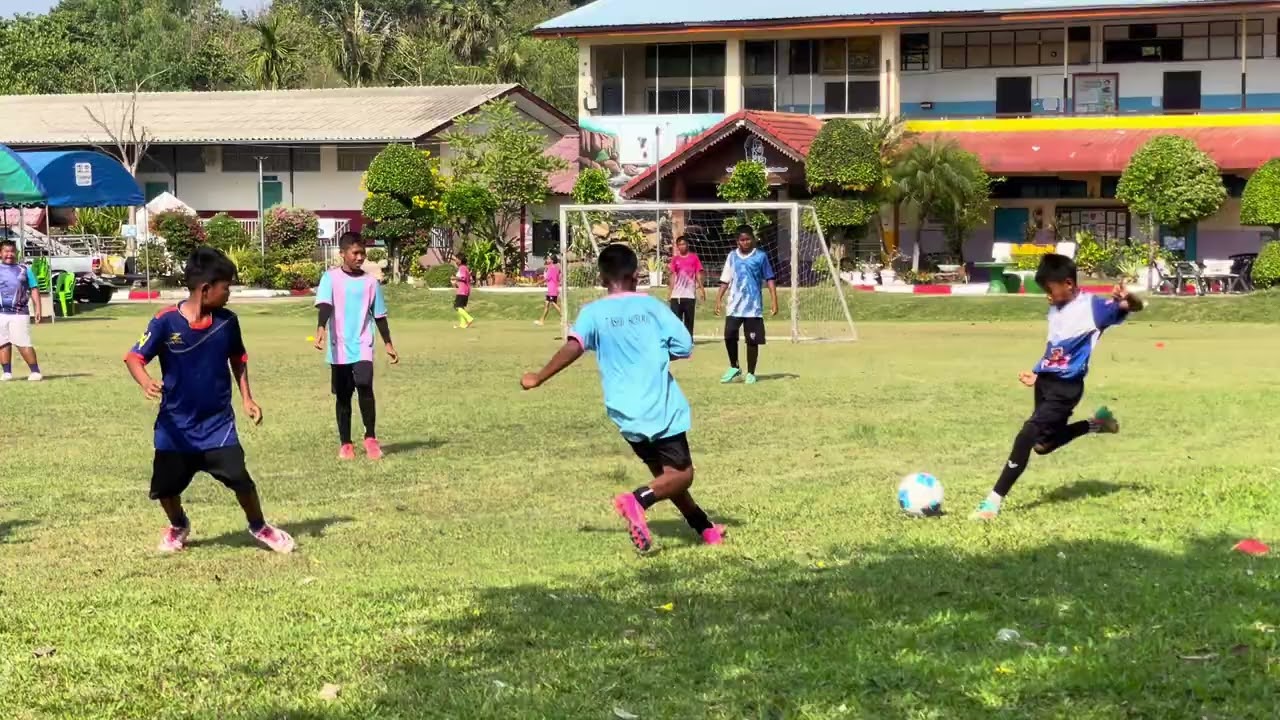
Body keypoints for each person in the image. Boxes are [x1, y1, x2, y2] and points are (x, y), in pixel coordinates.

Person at [521, 244, 724, 553]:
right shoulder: (652, 307)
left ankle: (704, 529)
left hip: (624, 412)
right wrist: (655, 352)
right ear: (636, 275)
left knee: (665, 478)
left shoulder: (592, 313)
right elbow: (684, 346)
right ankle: (636, 500)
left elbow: (574, 346)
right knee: (682, 475)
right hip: (659, 406)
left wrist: (538, 376)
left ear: (603, 279)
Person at [124, 247, 294, 554]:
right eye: (226, 288)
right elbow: (134, 357)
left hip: (217, 425)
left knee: (240, 479)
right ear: (206, 289)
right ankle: (178, 525)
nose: (229, 294)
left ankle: (259, 526)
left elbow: (238, 359)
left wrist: (248, 398)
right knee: (164, 488)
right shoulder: (165, 321)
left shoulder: (227, 322)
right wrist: (146, 381)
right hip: (175, 427)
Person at [972, 253, 1143, 521]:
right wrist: (1037, 371)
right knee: (1043, 445)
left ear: (1068, 283)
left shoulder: (1094, 308)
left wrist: (1128, 297)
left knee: (1026, 435)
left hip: (1065, 389)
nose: (1047, 296)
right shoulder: (1055, 307)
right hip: (1045, 383)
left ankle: (992, 503)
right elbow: (1056, 345)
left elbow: (1133, 306)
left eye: (1049, 289)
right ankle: (1096, 423)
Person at [314, 232, 398, 461]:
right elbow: (325, 305)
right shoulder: (330, 278)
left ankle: (370, 438)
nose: (360, 257)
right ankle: (346, 444)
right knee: (343, 395)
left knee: (364, 385)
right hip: (338, 346)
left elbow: (379, 315)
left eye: (363, 253)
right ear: (343, 254)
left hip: (362, 343)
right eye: (355, 253)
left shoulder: (371, 282)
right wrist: (321, 327)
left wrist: (388, 343)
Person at [715, 225, 778, 385]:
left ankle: (751, 373)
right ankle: (734, 366)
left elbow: (770, 278)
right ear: (737, 241)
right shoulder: (732, 256)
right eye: (742, 240)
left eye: (748, 239)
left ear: (753, 239)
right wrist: (718, 299)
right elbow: (725, 279)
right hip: (734, 306)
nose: (745, 242)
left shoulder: (761, 256)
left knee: (752, 341)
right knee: (729, 335)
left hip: (753, 308)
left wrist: (774, 301)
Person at [0, 240, 43, 382]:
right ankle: (7, 372)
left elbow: (34, 289)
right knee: (3, 343)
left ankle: (35, 371)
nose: (9, 254)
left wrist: (38, 309)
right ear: (0, 253)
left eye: (12, 251)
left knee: (23, 342)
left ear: (16, 253)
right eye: (6, 251)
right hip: (1, 314)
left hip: (19, 313)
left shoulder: (24, 269)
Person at [667, 235, 705, 335]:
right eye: (679, 245)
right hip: (676, 296)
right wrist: (670, 293)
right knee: (676, 322)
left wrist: (701, 289)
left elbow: (698, 273)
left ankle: (688, 340)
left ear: (687, 245)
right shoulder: (675, 259)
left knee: (689, 322)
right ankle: (677, 340)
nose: (682, 246)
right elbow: (672, 276)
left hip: (689, 296)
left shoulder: (694, 258)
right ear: (677, 247)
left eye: (683, 244)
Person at [535, 254, 562, 326]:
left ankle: (564, 318)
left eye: (548, 259)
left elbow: (546, 279)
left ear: (552, 261)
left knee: (554, 304)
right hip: (552, 289)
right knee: (547, 305)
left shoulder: (552, 268)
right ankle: (541, 321)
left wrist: (538, 283)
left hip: (552, 290)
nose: (547, 260)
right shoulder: (554, 268)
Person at [452, 259, 474, 329]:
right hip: (464, 290)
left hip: (462, 290)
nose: (455, 261)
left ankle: (469, 318)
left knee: (457, 306)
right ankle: (463, 324)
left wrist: (454, 278)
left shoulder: (462, 268)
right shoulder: (465, 268)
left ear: (461, 261)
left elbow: (463, 278)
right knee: (461, 307)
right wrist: (455, 284)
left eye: (457, 259)